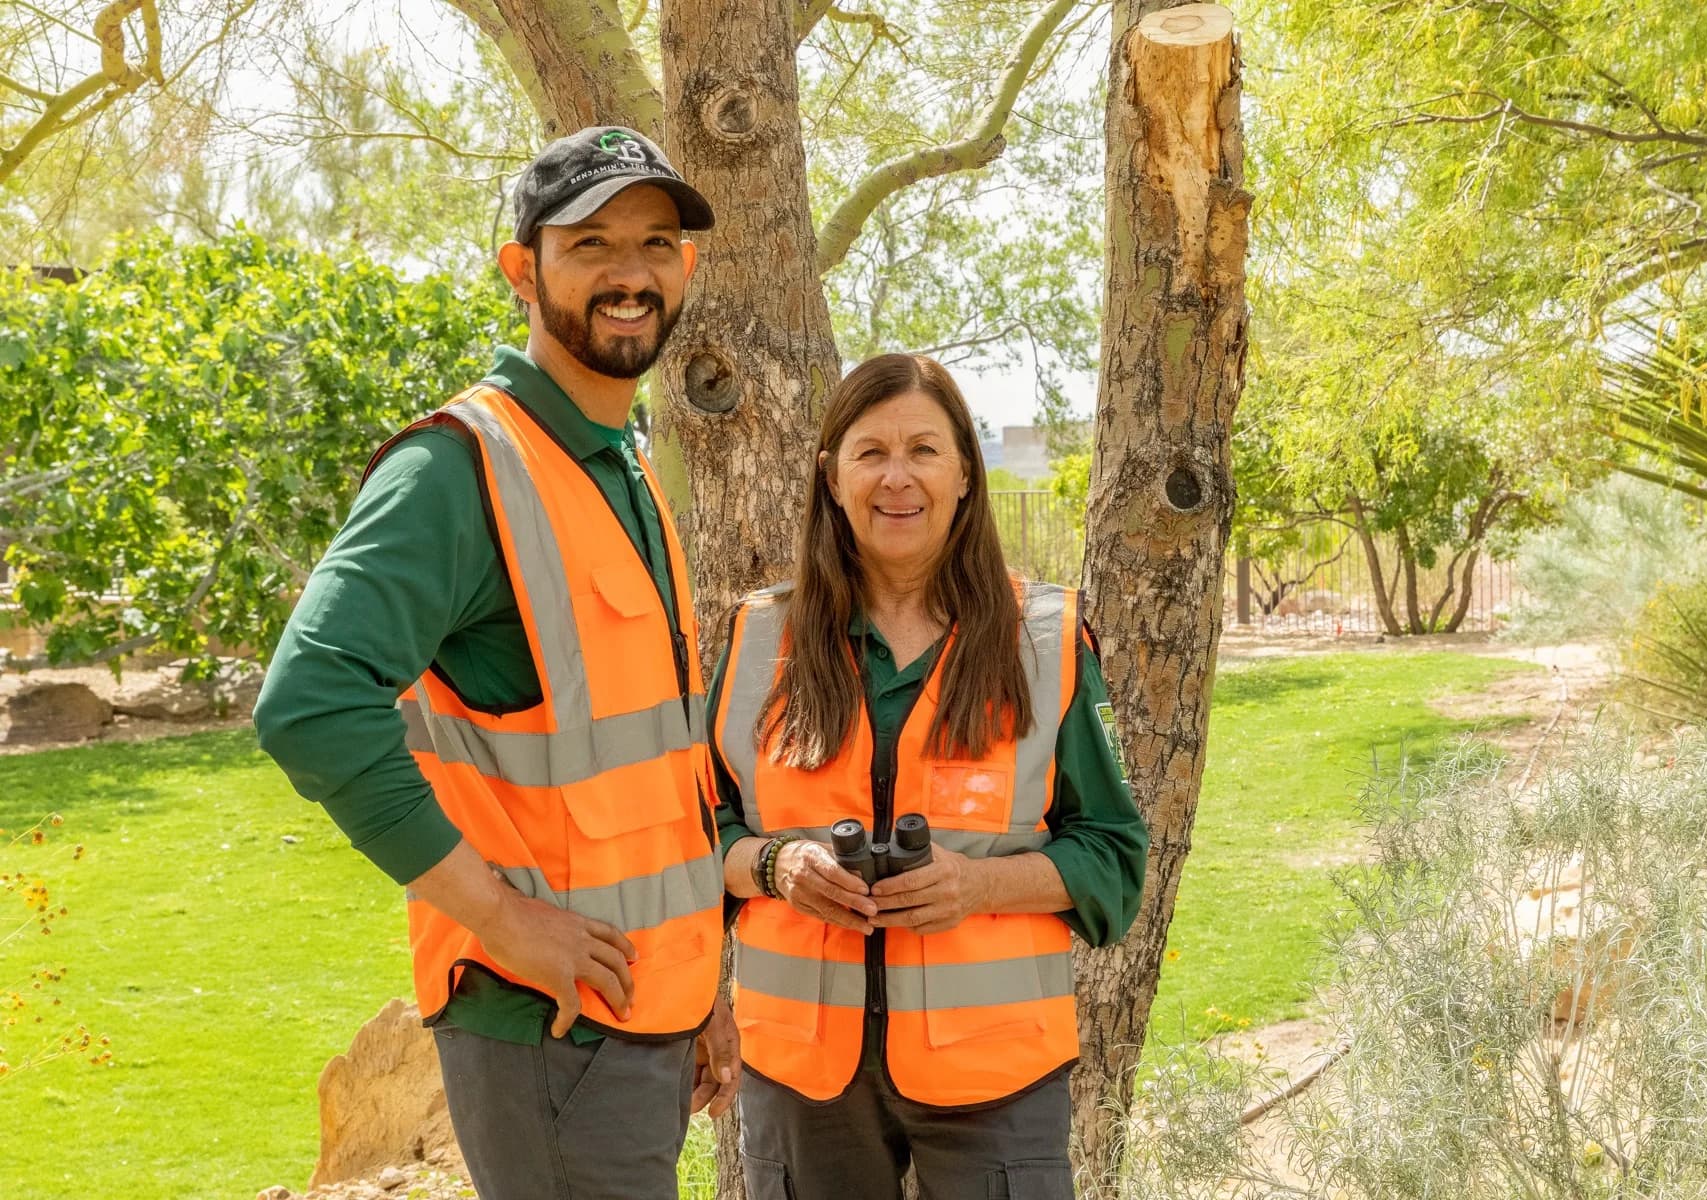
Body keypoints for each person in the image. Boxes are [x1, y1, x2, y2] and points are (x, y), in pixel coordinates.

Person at [254, 126, 738, 1200]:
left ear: (687, 268)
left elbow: (656, 777)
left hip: (643, 1014)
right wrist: (504, 920)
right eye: (592, 243)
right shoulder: (457, 469)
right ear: (522, 269)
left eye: (657, 244)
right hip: (547, 1026)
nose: (631, 273)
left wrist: (700, 985)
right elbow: (309, 704)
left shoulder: (622, 464)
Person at [708, 353, 1149, 1199]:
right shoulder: (759, 638)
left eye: (924, 450)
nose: (896, 477)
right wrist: (776, 866)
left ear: (966, 477)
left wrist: (979, 886)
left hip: (996, 1076)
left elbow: (1114, 857)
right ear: (831, 479)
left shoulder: (1045, 640)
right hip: (803, 1078)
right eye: (870, 452)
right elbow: (697, 833)